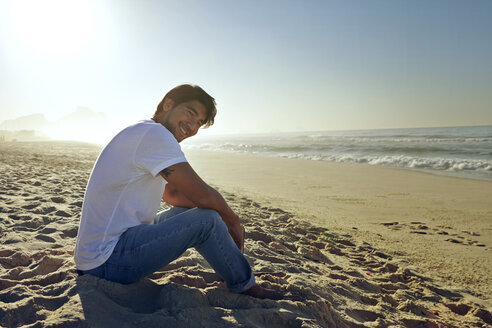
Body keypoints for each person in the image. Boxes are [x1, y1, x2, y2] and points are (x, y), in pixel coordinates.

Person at [74, 84, 280, 299]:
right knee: (206, 220)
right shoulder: (155, 134)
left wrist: (218, 213)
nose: (192, 127)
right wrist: (232, 221)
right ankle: (245, 284)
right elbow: (203, 195)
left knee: (201, 213)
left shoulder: (144, 131)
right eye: (190, 113)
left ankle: (230, 266)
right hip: (106, 260)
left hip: (100, 252)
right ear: (168, 104)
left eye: (199, 122)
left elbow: (172, 195)